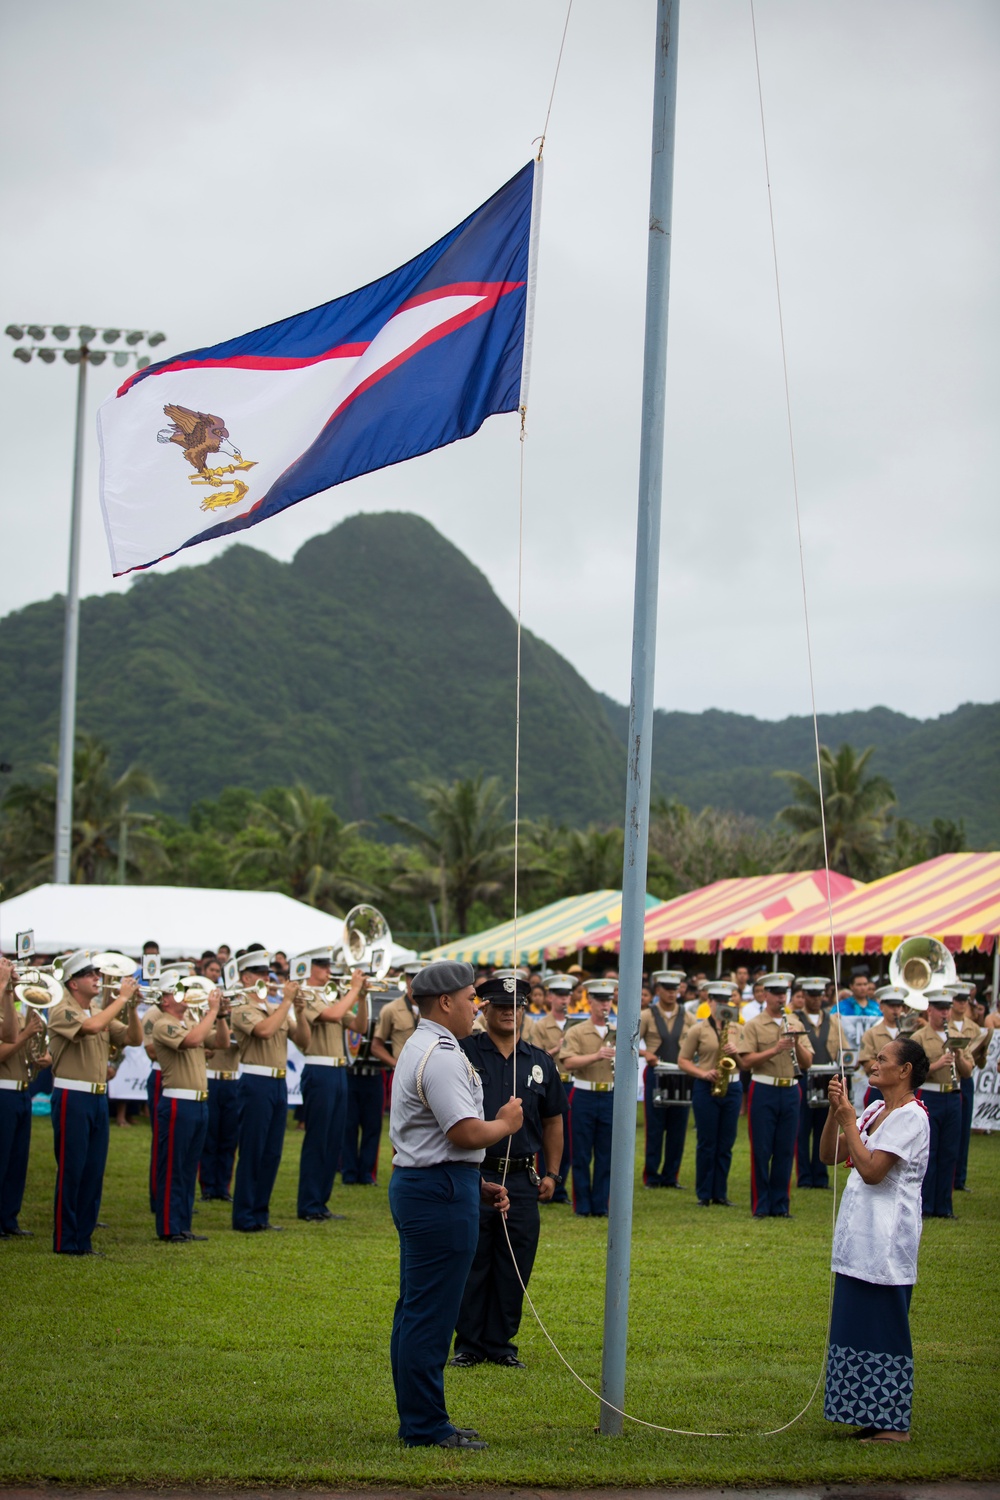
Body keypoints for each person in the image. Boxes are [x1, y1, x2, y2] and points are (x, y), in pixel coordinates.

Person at [388, 959, 521, 1450]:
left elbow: (441, 1139)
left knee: (417, 1309)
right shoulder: (442, 1054)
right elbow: (464, 1131)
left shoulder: (425, 1045)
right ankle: (425, 1426)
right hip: (437, 1191)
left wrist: (474, 1179)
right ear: (445, 1002)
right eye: (471, 999)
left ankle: (421, 1418)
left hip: (435, 1183)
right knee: (431, 1314)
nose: (477, 1008)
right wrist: (506, 1124)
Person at [450, 971, 564, 1369]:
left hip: (520, 1176)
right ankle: (468, 1344)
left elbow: (553, 1121)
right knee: (472, 1259)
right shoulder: (462, 1054)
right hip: (474, 1172)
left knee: (515, 1263)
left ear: (524, 1009)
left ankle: (501, 1344)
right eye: (499, 1006)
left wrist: (552, 1173)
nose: (507, 1013)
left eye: (514, 1006)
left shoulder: (540, 1062)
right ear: (485, 1009)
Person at [820, 1037, 931, 1442]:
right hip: (859, 1235)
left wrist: (849, 1119)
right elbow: (828, 1156)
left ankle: (893, 1425)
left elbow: (872, 1172)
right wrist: (837, 1114)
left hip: (888, 1239)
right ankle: (867, 1414)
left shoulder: (911, 1117)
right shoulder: (874, 1109)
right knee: (857, 1325)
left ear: (905, 1071)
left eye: (882, 1059)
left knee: (884, 1326)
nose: (874, 1062)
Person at [48, 950, 142, 1255]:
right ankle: (65, 1240)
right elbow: (89, 1028)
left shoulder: (98, 1012)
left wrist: (132, 1009)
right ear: (73, 983)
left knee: (93, 1171)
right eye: (90, 975)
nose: (97, 979)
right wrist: (120, 1000)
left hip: (98, 1096)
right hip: (72, 1095)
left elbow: (133, 1038)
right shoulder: (62, 1008)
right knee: (72, 1169)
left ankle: (83, 1239)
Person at [229, 946, 310, 1232]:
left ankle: (260, 1213)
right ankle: (244, 1215)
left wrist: (299, 1012)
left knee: (272, 1152)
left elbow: (304, 1041)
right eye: (260, 973)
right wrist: (287, 1002)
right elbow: (263, 1031)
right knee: (253, 1150)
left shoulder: (276, 1007)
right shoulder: (241, 1008)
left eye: (268, 973)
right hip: (255, 1081)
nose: (267, 978)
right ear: (245, 977)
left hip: (277, 1084)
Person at [151, 976, 230, 1242]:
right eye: (177, 992)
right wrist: (212, 1011)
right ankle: (168, 1227)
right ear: (164, 1000)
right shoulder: (163, 1024)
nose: (184, 994)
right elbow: (193, 1041)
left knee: (187, 1168)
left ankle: (182, 1224)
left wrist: (221, 1017)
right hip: (178, 1101)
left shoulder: (191, 1022)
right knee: (173, 1166)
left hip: (198, 1101)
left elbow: (222, 1043)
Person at [295, 950, 367, 1220]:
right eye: (322, 966)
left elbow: (358, 1027)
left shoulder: (332, 994)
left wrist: (362, 996)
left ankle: (320, 1203)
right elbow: (333, 1015)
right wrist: (354, 988)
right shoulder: (306, 993)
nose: (328, 971)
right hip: (319, 1068)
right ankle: (308, 1203)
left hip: (337, 1070)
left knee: (333, 1139)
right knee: (318, 1139)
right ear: (310, 968)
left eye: (329, 966)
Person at [741, 973, 813, 1218]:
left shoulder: (795, 1023)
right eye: (776, 992)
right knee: (761, 1150)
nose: (781, 997)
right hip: (764, 1088)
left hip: (791, 1089)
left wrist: (797, 1043)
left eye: (785, 993)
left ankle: (780, 1205)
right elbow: (746, 1060)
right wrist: (775, 1049)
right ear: (765, 994)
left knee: (785, 1149)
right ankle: (761, 1205)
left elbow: (808, 1062)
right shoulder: (754, 1024)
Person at [678, 981, 749, 1206]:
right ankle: (704, 1193)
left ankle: (720, 1192)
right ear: (709, 1001)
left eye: (724, 1000)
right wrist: (702, 1073)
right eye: (716, 999)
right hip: (706, 1087)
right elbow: (683, 1061)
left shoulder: (738, 1028)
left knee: (726, 1142)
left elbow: (745, 1064)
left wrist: (735, 1054)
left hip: (733, 1086)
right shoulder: (698, 1029)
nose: (720, 1004)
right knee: (707, 1142)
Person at [910, 989, 971, 1219]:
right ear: (930, 1010)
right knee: (929, 1152)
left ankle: (944, 1206)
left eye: (947, 1009)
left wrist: (959, 1057)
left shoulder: (957, 1035)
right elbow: (912, 1074)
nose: (945, 1013)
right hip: (930, 1095)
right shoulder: (919, 1037)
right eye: (940, 1009)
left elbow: (968, 1072)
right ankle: (925, 1206)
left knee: (949, 1152)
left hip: (953, 1096)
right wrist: (937, 1064)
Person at [0, 957, 49, 1238]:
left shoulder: (15, 1014)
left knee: (18, 1161)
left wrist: (38, 1056)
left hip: (21, 1090)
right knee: (3, 1158)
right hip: (3, 1090)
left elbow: (20, 1047)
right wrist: (27, 1033)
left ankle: (9, 1218)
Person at [559, 979, 617, 1217]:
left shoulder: (618, 1031)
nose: (605, 1005)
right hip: (583, 1092)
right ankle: (582, 1205)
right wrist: (596, 1056)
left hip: (610, 1094)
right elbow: (568, 1062)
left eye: (608, 1000)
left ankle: (601, 1204)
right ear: (590, 1001)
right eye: (600, 1000)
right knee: (581, 1153)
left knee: (607, 1153)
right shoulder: (577, 1031)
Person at [638, 970, 692, 1189]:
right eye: (667, 989)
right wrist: (646, 1054)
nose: (672, 994)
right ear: (658, 990)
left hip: (681, 1075)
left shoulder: (687, 1016)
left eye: (675, 989)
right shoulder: (647, 1015)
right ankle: (651, 1175)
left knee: (678, 1128)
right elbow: (630, 1041)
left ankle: (671, 1175)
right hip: (657, 1074)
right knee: (655, 1127)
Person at [524, 973, 575, 1203]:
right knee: (545, 1134)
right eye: (559, 995)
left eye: (567, 995)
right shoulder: (541, 1025)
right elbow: (536, 1057)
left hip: (571, 1080)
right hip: (547, 1082)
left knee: (566, 1138)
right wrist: (557, 1049)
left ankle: (559, 1186)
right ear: (550, 997)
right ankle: (543, 1180)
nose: (564, 1000)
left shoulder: (576, 1024)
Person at [796, 976, 846, 1189]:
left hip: (826, 1079)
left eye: (820, 995)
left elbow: (843, 1049)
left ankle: (820, 1174)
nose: (817, 999)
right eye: (812, 995)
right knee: (802, 1129)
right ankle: (804, 1176)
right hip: (803, 1078)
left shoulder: (833, 1020)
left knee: (823, 1127)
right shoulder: (796, 1020)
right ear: (804, 995)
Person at [199, 985, 240, 1203]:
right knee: (210, 1137)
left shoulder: (235, 1022)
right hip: (211, 1080)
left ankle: (223, 1186)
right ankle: (207, 1186)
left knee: (229, 1138)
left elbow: (234, 1040)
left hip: (232, 1081)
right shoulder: (205, 1020)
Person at [945, 981, 987, 1193]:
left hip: (965, 1078)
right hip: (946, 1076)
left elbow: (980, 1062)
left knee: (963, 1130)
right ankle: (949, 1177)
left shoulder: (974, 1027)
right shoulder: (945, 1024)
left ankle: (959, 1178)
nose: (962, 1004)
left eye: (965, 1000)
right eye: (958, 1000)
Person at [857, 986, 907, 1108]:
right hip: (878, 1090)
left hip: (903, 1090)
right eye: (891, 1006)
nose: (895, 1010)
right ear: (881, 1007)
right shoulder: (871, 1033)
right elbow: (868, 1065)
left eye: (898, 1006)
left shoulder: (908, 1034)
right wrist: (895, 1067)